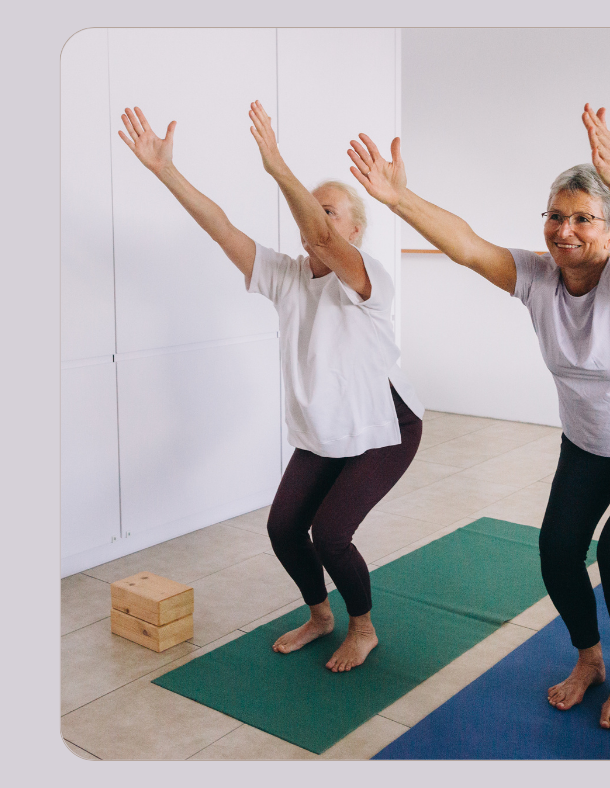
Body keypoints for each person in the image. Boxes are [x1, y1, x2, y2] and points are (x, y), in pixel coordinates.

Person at [347, 103, 610, 728]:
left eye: (583, 219)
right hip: (592, 440)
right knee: (557, 550)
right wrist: (398, 199)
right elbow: (465, 246)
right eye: (556, 216)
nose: (565, 230)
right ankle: (590, 658)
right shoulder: (539, 278)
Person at [119, 101, 423, 672]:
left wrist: (278, 167)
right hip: (325, 428)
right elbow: (222, 228)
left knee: (331, 534)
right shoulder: (286, 276)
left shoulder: (367, 277)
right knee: (285, 528)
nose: (319, 222)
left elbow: (328, 247)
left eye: (330, 212)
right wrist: (165, 171)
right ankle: (321, 615)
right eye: (315, 211)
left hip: (387, 427)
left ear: (355, 230)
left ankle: (363, 627)